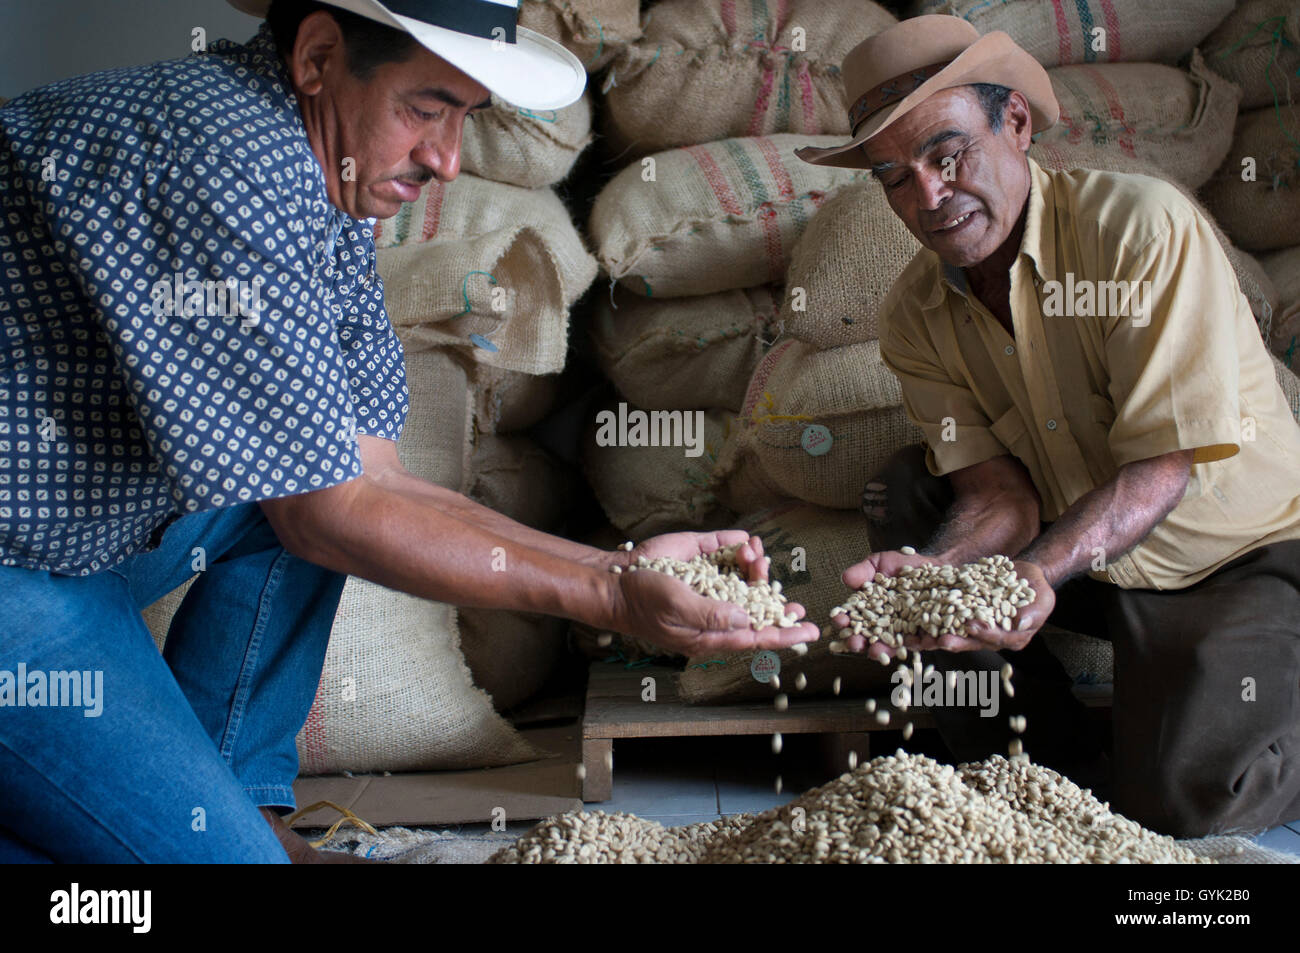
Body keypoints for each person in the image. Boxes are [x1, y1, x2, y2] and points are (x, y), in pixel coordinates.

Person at [0, 0, 818, 864]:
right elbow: (332, 509)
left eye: (463, 118)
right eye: (425, 109)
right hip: (18, 566)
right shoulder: (221, 153)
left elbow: (368, 476)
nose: (447, 159)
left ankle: (236, 802)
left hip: (75, 540)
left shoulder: (328, 183)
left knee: (292, 486)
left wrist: (625, 567)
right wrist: (612, 594)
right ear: (317, 56)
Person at [798, 15, 1300, 837]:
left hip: (1230, 557)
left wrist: (1037, 573)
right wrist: (935, 571)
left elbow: (1161, 471)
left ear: (1017, 125)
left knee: (1190, 806)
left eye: (948, 153)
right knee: (907, 489)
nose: (929, 195)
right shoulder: (917, 314)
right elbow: (996, 493)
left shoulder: (1138, 229)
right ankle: (1033, 767)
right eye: (895, 176)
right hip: (1089, 559)